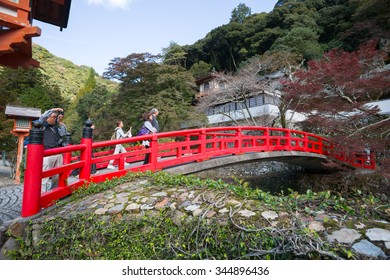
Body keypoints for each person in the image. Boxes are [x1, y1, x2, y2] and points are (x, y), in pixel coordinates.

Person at [38, 107, 64, 191]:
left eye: (55, 117)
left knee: (57, 176)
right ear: (47, 118)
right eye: (53, 117)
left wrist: (59, 120)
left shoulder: (56, 127)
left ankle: (54, 192)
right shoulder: (42, 125)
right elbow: (42, 117)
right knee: (44, 177)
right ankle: (42, 194)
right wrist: (53, 110)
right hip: (46, 154)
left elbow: (63, 133)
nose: (54, 118)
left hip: (57, 152)